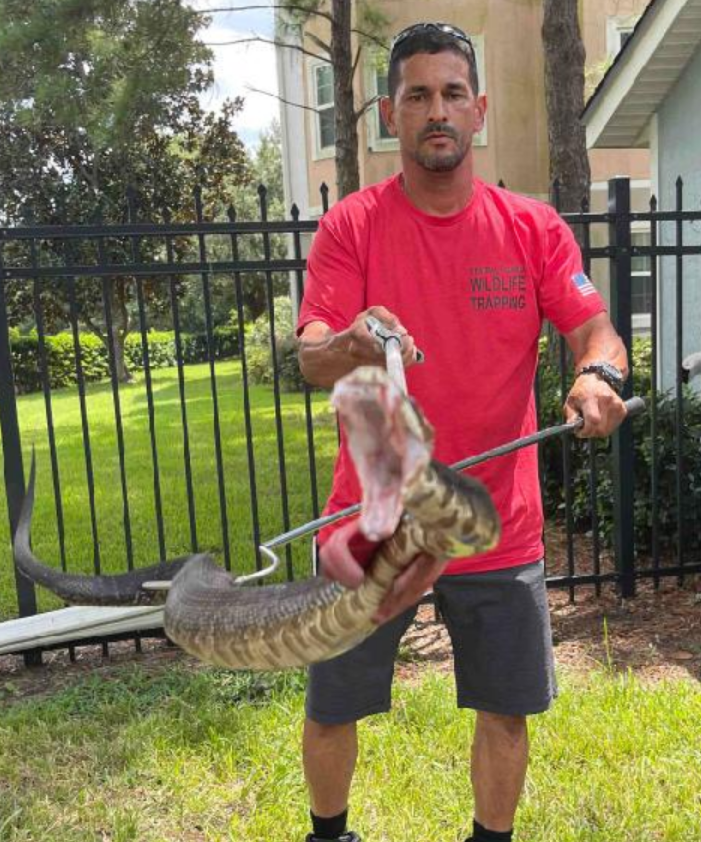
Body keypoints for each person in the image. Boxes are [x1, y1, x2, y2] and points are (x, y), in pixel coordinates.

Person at [296, 21, 629, 842]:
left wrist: (598, 374)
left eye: (451, 94)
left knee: (504, 711)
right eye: (417, 96)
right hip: (369, 523)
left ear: (477, 110)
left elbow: (596, 329)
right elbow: (310, 357)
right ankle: (327, 835)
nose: (435, 110)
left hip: (496, 523)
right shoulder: (352, 227)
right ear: (390, 112)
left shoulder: (531, 228)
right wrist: (349, 342)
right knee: (334, 703)